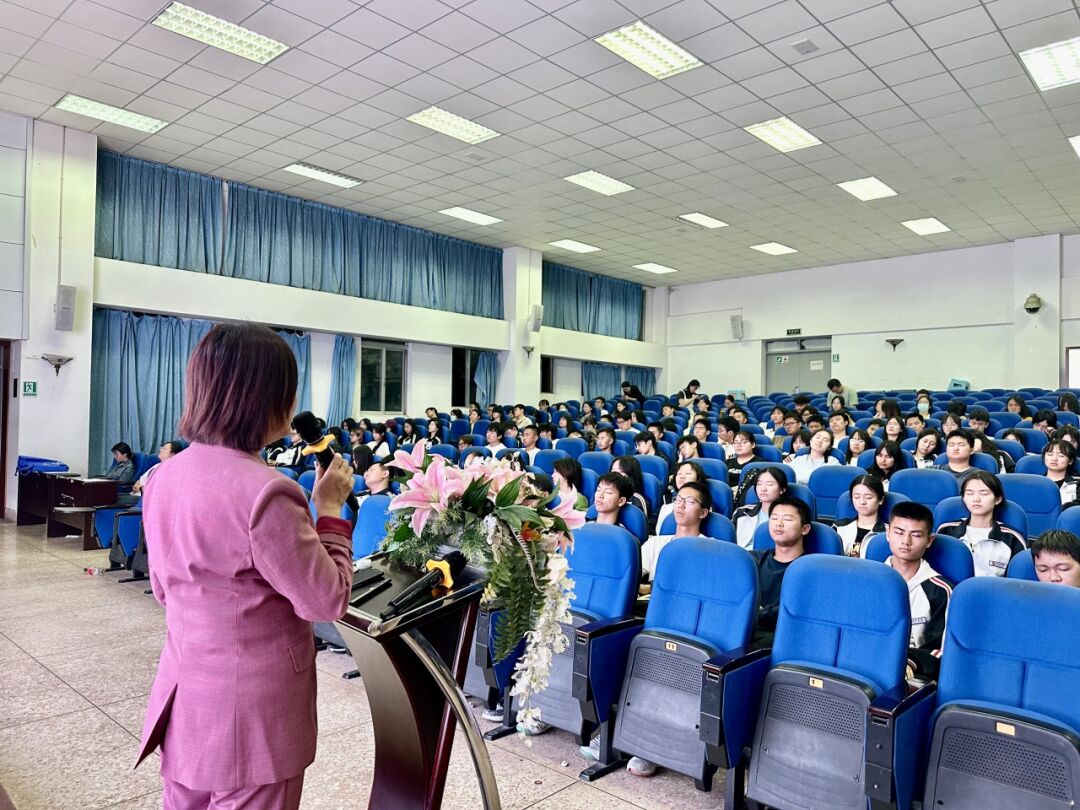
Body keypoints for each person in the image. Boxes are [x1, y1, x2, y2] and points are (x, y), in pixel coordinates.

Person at [137, 324, 354, 810]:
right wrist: (331, 512)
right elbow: (327, 599)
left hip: (186, 694)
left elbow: (163, 589)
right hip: (253, 715)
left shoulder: (161, 477)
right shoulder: (268, 491)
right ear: (267, 397)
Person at [882, 501, 952, 679]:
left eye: (916, 535)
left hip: (916, 673)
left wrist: (911, 662)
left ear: (929, 540)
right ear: (887, 532)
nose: (906, 541)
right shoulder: (869, 581)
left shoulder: (942, 590)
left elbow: (942, 650)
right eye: (899, 532)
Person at [937, 471, 1026, 576]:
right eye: (970, 493)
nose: (976, 499)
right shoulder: (946, 531)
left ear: (997, 499)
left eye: (984, 493)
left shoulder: (1012, 538)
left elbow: (1016, 581)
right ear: (963, 498)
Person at [750, 495, 810, 647]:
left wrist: (757, 612)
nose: (779, 524)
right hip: (744, 629)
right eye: (774, 518)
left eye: (788, 519)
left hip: (780, 639)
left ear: (805, 529)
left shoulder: (810, 570)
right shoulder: (753, 559)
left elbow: (793, 611)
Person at [640, 481, 710, 584]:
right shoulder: (654, 543)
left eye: (689, 501)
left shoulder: (710, 548)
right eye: (678, 499)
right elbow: (632, 573)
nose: (681, 505)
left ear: (703, 513)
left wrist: (649, 588)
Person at [731, 466, 788, 549]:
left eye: (770, 484)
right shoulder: (742, 512)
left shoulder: (789, 518)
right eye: (759, 484)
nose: (763, 489)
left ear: (782, 489)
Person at [835, 474, 885, 557]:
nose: (862, 502)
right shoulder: (838, 527)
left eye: (868, 497)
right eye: (857, 497)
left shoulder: (887, 532)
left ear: (880, 500)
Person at [657, 461, 707, 531]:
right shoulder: (665, 506)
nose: (682, 477)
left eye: (688, 473)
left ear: (698, 479)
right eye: (679, 473)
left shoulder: (704, 505)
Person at [1043, 439, 1080, 506]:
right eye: (1050, 454)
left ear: (1070, 461)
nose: (1054, 459)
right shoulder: (1035, 482)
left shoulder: (1078, 483)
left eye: (1061, 455)